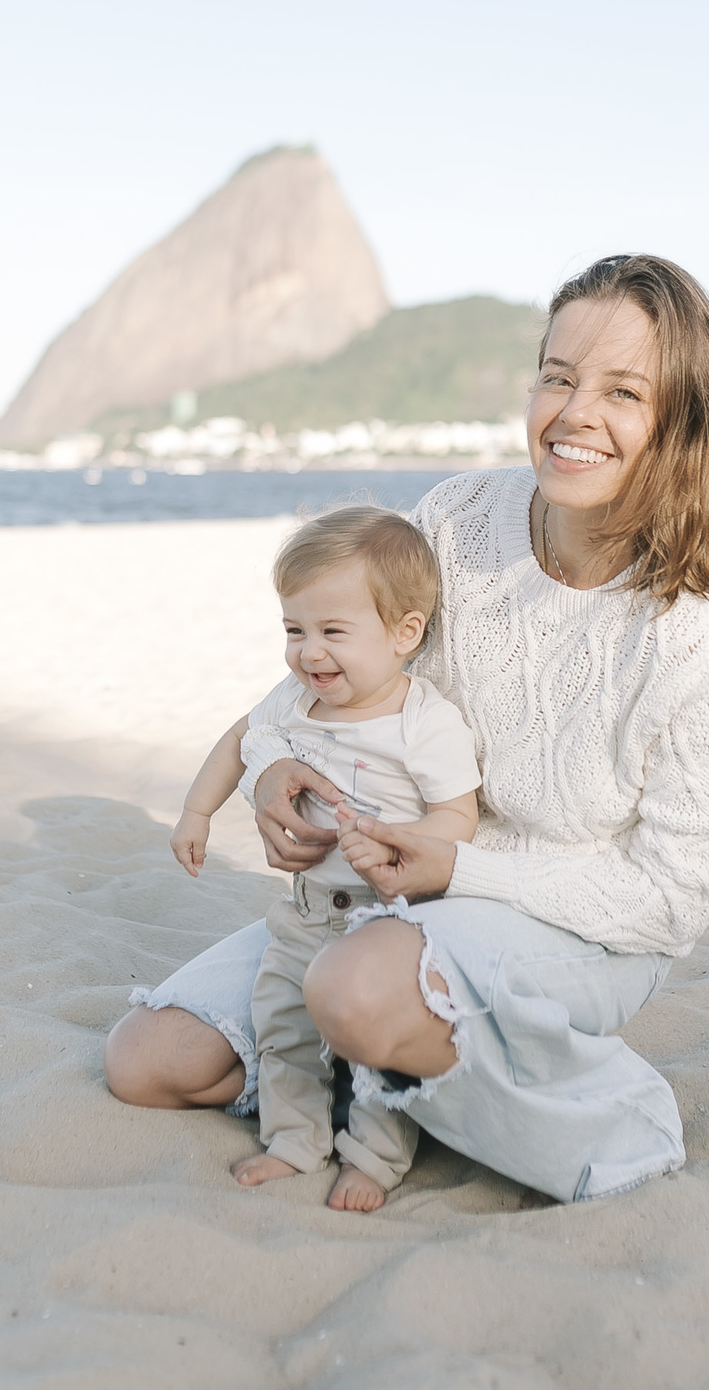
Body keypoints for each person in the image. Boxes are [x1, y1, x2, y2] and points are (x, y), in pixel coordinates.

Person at [104, 253, 709, 1205]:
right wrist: (270, 771)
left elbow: (670, 903)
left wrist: (458, 870)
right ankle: (391, 1055)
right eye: (557, 377)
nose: (574, 413)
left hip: (575, 926)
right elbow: (347, 657)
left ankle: (611, 1116)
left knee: (353, 990)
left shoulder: (690, 647)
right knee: (151, 1060)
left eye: (624, 392)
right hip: (390, 890)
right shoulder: (460, 517)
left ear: (683, 423)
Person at [165, 506, 480, 1211]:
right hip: (306, 913)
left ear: (404, 633)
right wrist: (196, 812)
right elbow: (239, 739)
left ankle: (375, 1157)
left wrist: (400, 843)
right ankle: (294, 1142)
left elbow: (459, 816)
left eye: (333, 632)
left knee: (377, 1048)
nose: (310, 653)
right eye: (294, 631)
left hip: (391, 918)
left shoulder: (423, 723)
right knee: (284, 1028)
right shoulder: (294, 700)